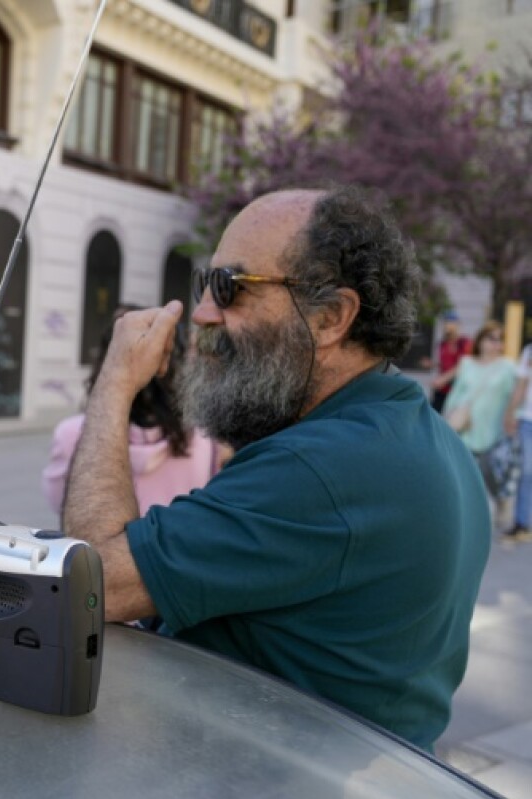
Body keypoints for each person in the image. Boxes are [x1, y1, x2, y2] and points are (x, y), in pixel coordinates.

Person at [63, 187, 489, 753]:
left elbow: (91, 585)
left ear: (331, 317)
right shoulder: (424, 437)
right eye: (204, 286)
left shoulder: (319, 469)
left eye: (231, 289)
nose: (203, 313)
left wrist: (115, 383)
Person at [43, 304, 218, 517]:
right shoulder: (204, 441)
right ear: (174, 365)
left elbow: (60, 504)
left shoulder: (72, 435)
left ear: (104, 360)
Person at [442, 321, 518, 497]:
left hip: (491, 438)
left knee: (487, 490)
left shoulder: (508, 367)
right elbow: (455, 396)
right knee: (462, 487)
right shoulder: (467, 363)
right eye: (492, 338)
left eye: (501, 340)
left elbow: (515, 398)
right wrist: (448, 421)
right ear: (481, 339)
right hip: (464, 432)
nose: (496, 343)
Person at [502, 343, 532, 542]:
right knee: (527, 471)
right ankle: (522, 524)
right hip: (528, 420)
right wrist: (510, 412)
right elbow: (521, 384)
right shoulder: (530, 350)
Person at [431, 311, 471, 413]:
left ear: (457, 325)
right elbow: (444, 363)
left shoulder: (464, 343)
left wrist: (443, 379)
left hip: (458, 390)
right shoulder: (442, 344)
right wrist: (432, 364)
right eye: (446, 323)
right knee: (434, 415)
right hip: (443, 390)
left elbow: (462, 366)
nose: (447, 326)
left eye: (450, 323)